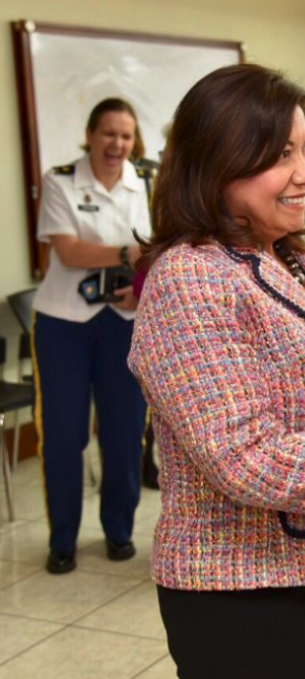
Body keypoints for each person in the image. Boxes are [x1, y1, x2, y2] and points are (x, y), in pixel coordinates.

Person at [128, 64, 305, 679]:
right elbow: (244, 454)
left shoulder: (289, 259)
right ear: (218, 163)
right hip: (245, 586)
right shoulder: (191, 277)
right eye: (281, 154)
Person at [32, 97, 151, 575]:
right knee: (64, 436)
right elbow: (70, 253)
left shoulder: (146, 182)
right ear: (90, 134)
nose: (116, 144)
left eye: (125, 135)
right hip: (63, 325)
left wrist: (139, 290)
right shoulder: (60, 180)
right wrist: (135, 251)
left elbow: (163, 251)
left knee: (124, 436)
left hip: (123, 323)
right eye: (108, 133)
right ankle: (62, 539)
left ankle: (118, 533)